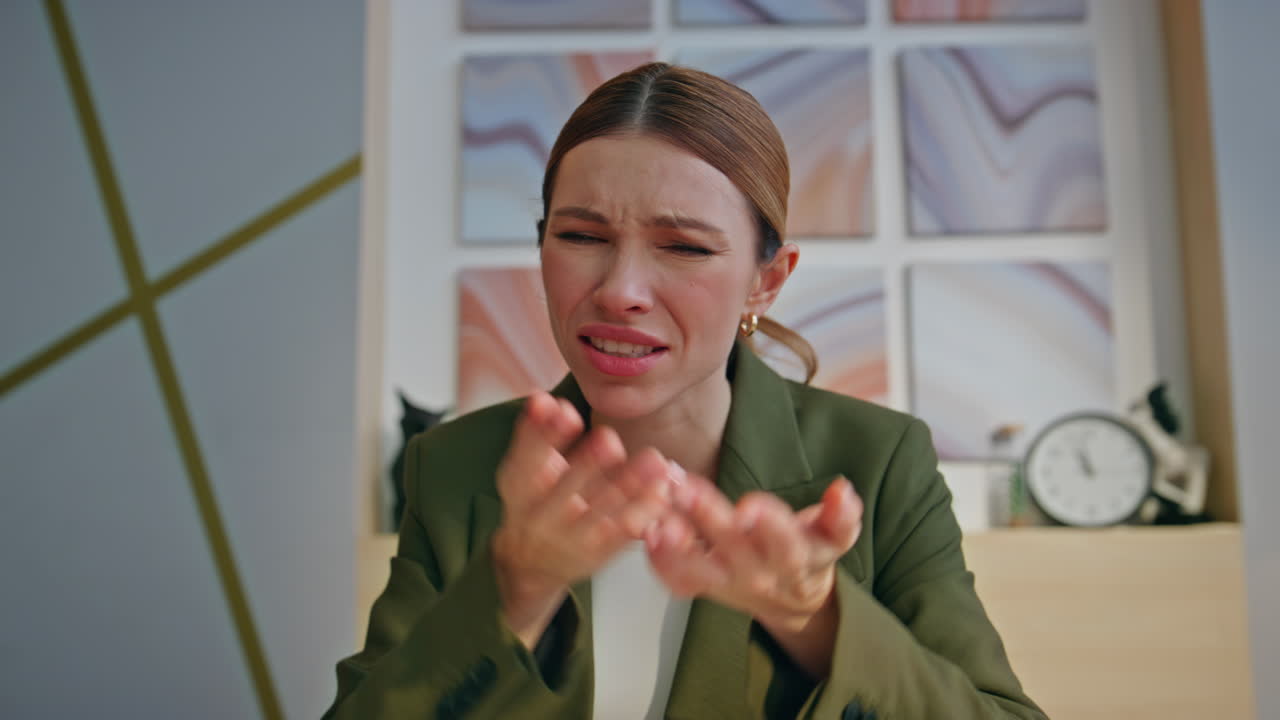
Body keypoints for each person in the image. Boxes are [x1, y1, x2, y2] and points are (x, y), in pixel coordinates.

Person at [323, 62, 1046, 720]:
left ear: (767, 279)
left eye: (685, 247)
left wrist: (817, 620)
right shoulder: (454, 467)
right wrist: (512, 587)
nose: (620, 291)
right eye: (581, 236)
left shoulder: (879, 461)